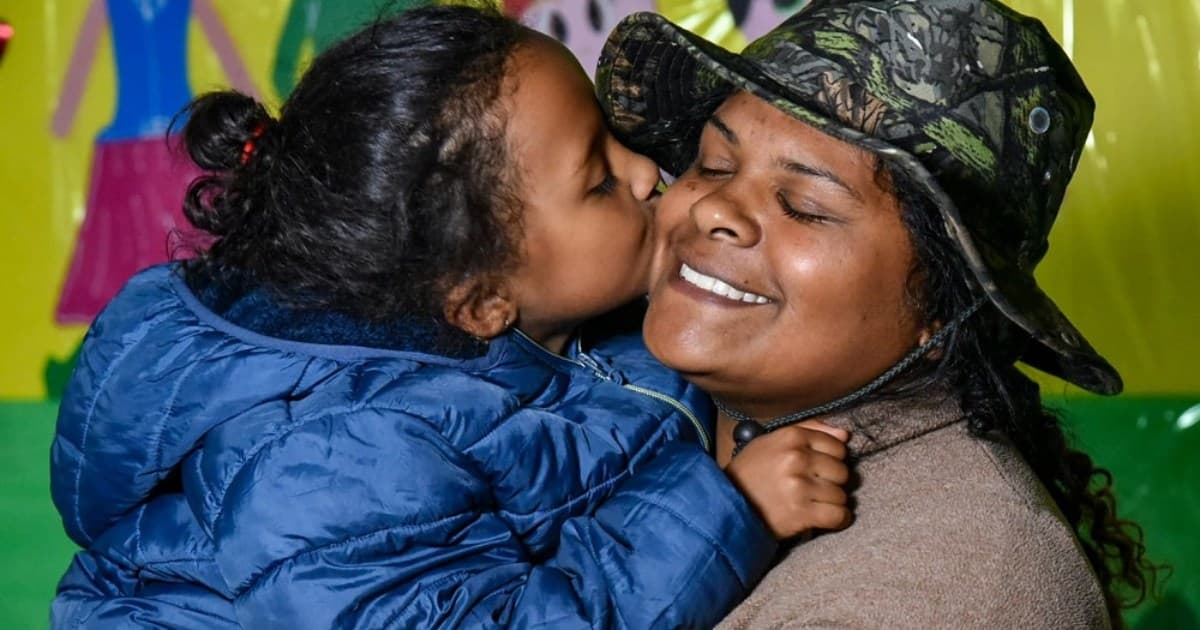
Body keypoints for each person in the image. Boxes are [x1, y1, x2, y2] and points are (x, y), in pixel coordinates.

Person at [49, 6, 852, 628]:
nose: (647, 173)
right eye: (598, 179)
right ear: (478, 300)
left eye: (616, 142)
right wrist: (727, 509)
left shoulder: (561, 314)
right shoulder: (334, 452)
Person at [597, 0, 1159, 627]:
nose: (711, 209)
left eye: (806, 206)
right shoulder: (597, 403)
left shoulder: (949, 594)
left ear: (941, 310)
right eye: (714, 164)